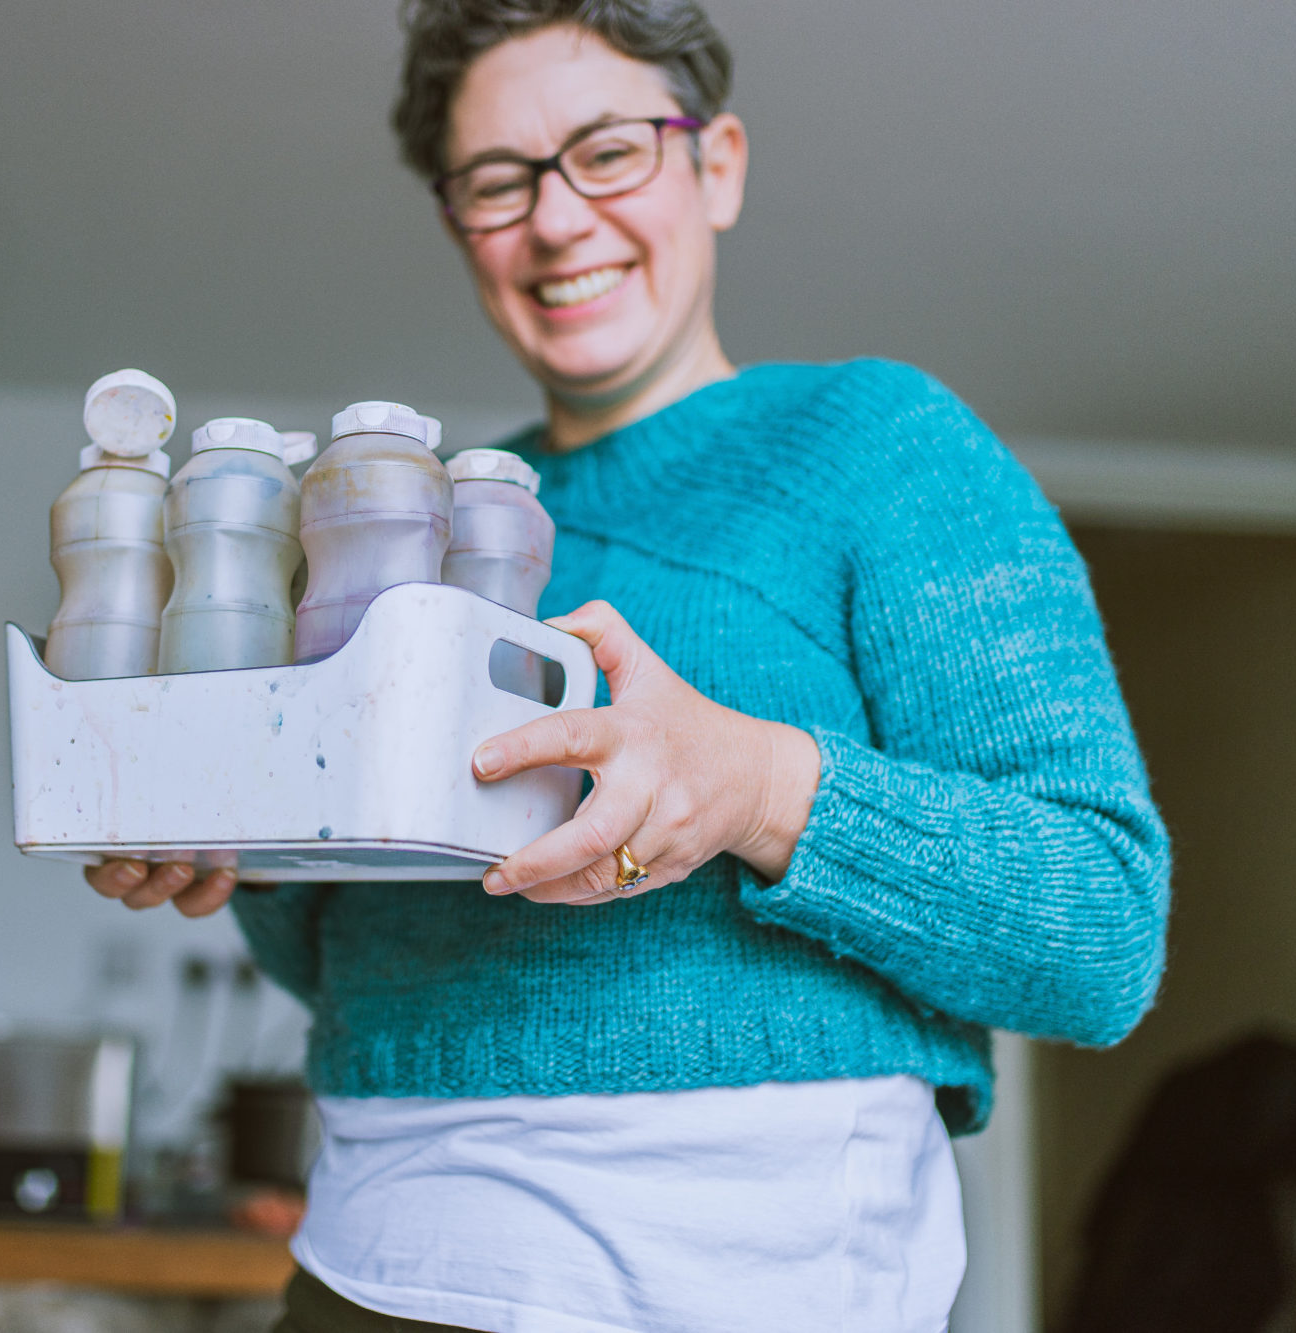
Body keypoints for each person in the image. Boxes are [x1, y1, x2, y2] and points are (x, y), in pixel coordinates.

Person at [87, 1, 1171, 1329]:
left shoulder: (881, 446)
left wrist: (760, 786)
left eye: (608, 151)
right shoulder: (403, 522)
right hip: (368, 1271)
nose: (554, 219)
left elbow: (1104, 931)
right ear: (457, 220)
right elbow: (352, 942)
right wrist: (237, 848)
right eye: (498, 180)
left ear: (716, 164)